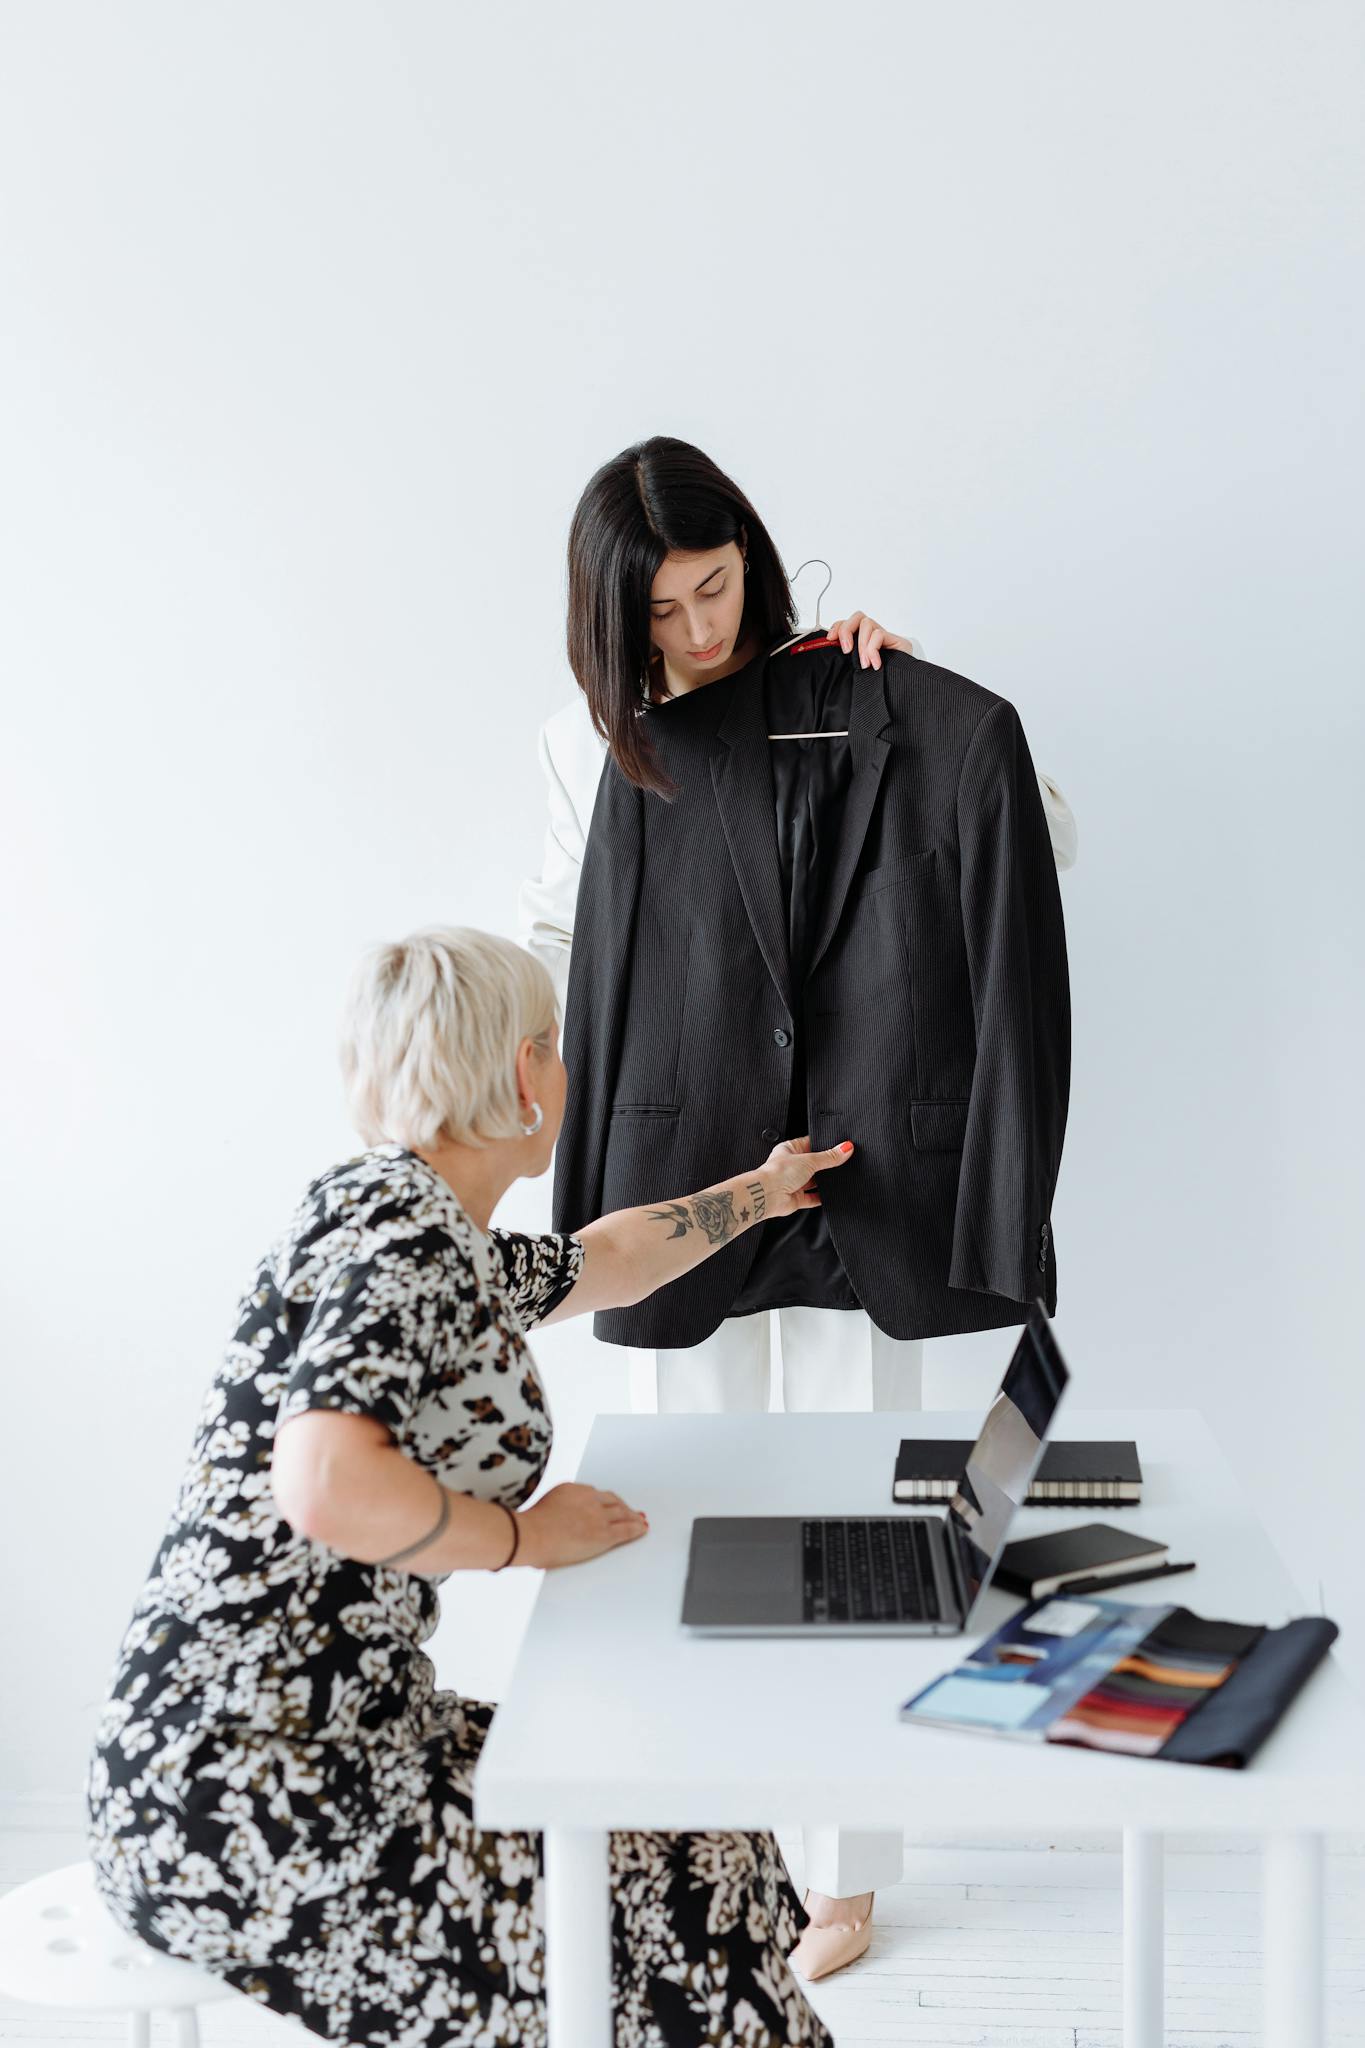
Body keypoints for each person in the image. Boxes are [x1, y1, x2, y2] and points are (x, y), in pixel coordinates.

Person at [517, 434, 1078, 1978]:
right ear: (609, 625)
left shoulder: (862, 690)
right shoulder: (590, 749)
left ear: (755, 559)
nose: (703, 635)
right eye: (666, 617)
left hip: (863, 1182)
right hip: (677, 1180)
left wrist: (893, 711)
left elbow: (1041, 841)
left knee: (851, 1521)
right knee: (670, 1521)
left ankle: (843, 1872)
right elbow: (559, 945)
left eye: (720, 590)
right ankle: (694, 1847)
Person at [84, 926, 851, 2048]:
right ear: (526, 1070)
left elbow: (610, 1257)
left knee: (705, 1819)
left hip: (333, 1730)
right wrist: (523, 1538)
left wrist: (761, 1192)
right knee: (674, 1894)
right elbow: (323, 1475)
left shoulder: (411, 1220)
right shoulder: (405, 1238)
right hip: (256, 1795)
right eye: (560, 1042)